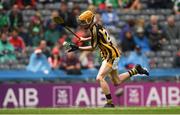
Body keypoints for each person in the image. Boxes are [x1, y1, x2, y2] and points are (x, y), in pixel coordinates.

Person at [66, 10, 149, 107]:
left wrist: (78, 48)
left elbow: (93, 48)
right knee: (116, 81)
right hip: (110, 54)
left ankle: (109, 103)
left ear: (89, 21)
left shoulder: (94, 30)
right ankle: (136, 70)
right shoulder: (96, 26)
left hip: (111, 55)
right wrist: (85, 39)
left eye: (84, 22)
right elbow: (97, 37)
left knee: (99, 77)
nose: (82, 24)